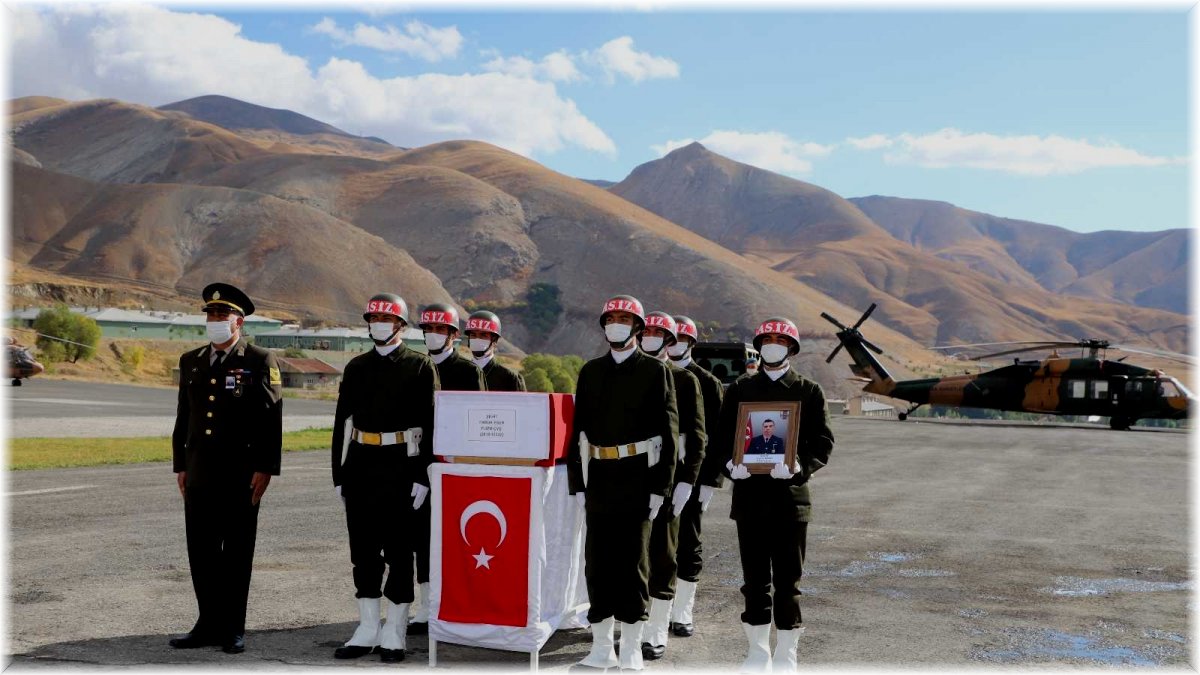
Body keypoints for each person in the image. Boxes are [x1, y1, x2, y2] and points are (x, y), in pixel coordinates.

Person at [714, 317, 834, 673]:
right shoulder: (739, 391)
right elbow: (720, 440)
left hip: (790, 501)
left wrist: (799, 467)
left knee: (788, 582)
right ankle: (756, 652)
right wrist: (728, 466)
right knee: (754, 581)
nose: (772, 344)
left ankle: (786, 653)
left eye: (780, 339)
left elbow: (823, 443)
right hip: (749, 500)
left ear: (791, 348)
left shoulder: (808, 391)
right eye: (767, 339)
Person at [568, 294, 679, 671]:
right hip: (598, 477)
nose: (615, 323)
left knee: (633, 566)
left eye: (623, 318)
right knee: (597, 564)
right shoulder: (590, 371)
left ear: (637, 327)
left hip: (637, 478)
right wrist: (576, 486)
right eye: (610, 318)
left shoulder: (654, 371)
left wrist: (659, 487)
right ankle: (601, 647)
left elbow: (669, 433)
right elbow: (576, 430)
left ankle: (631, 646)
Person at [170, 283, 282, 655]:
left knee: (235, 553)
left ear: (239, 321)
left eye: (222, 315)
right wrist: (180, 465)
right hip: (199, 471)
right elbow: (184, 417)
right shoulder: (192, 360)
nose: (215, 320)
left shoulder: (259, 359)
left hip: (240, 474)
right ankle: (206, 623)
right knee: (200, 551)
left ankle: (233, 627)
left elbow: (271, 419)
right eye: (210, 314)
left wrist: (266, 467)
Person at [331, 293, 438, 662]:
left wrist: (424, 475)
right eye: (373, 318)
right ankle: (366, 628)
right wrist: (338, 473)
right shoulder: (356, 367)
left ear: (400, 326)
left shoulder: (420, 366)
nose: (378, 324)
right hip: (361, 464)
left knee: (398, 552)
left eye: (386, 319)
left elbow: (431, 423)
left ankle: (395, 630)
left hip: (400, 467)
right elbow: (341, 421)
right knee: (363, 552)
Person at [410, 302, 485, 633]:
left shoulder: (469, 372)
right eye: (428, 330)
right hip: (419, 466)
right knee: (421, 538)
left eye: (440, 330)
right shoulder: (414, 368)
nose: (433, 336)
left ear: (454, 335)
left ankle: (458, 602)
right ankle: (426, 606)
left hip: (455, 466)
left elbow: (477, 422)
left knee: (458, 537)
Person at [636, 312, 705, 661]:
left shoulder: (690, 380)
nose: (650, 337)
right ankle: (635, 624)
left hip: (672, 479)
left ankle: (659, 628)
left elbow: (700, 436)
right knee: (634, 557)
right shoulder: (629, 373)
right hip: (632, 478)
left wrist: (695, 482)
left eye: (658, 333)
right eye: (645, 331)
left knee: (668, 553)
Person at [666, 315, 724, 638]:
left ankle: (683, 610)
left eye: (679, 340)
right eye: (669, 339)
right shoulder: (656, 373)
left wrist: (710, 481)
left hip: (693, 475)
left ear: (690, 343)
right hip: (659, 474)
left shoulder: (707, 382)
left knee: (688, 542)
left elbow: (716, 437)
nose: (672, 345)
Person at [464, 310, 527, 392]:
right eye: (473, 335)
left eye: (484, 335)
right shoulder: (458, 374)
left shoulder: (510, 378)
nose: (477, 339)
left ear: (495, 340)